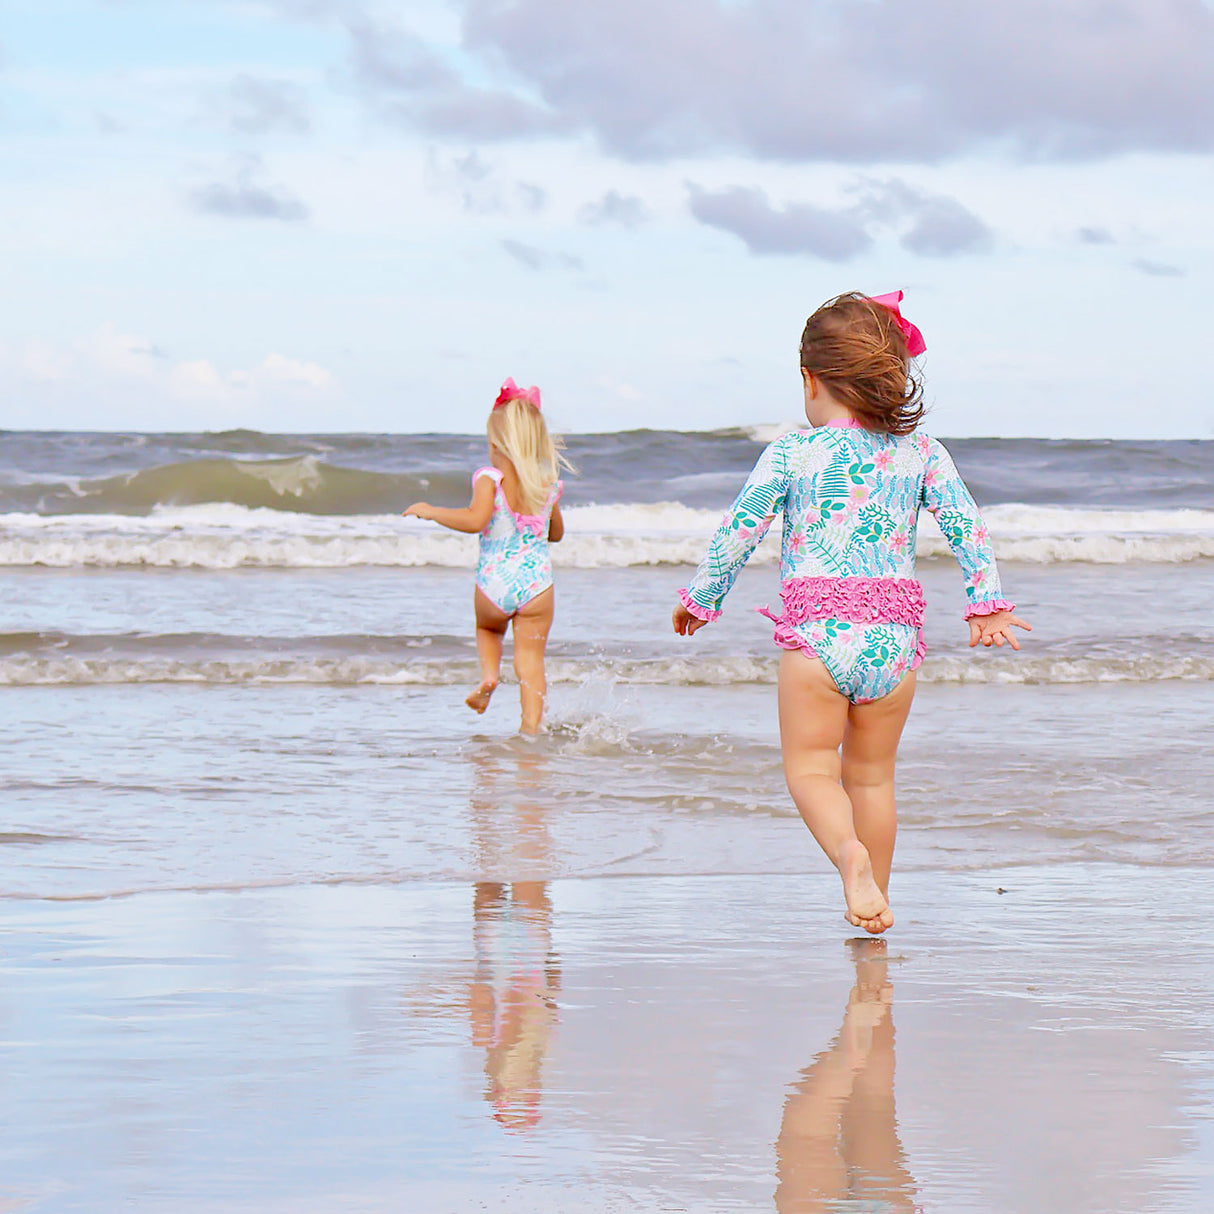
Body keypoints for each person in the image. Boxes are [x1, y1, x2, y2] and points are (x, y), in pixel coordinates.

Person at [672, 292, 1030, 934]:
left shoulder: (789, 453)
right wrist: (986, 605)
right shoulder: (922, 452)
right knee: (872, 781)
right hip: (894, 641)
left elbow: (738, 529)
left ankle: (848, 859)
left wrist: (704, 597)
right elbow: (966, 528)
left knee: (811, 768)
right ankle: (877, 899)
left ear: (811, 379)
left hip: (816, 636)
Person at [405, 378, 567, 734]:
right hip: (538, 585)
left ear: (497, 444)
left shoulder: (488, 478)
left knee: (488, 629)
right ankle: (530, 729)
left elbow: (476, 520)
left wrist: (432, 511)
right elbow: (555, 534)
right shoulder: (547, 483)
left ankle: (490, 678)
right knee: (531, 661)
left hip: (494, 583)